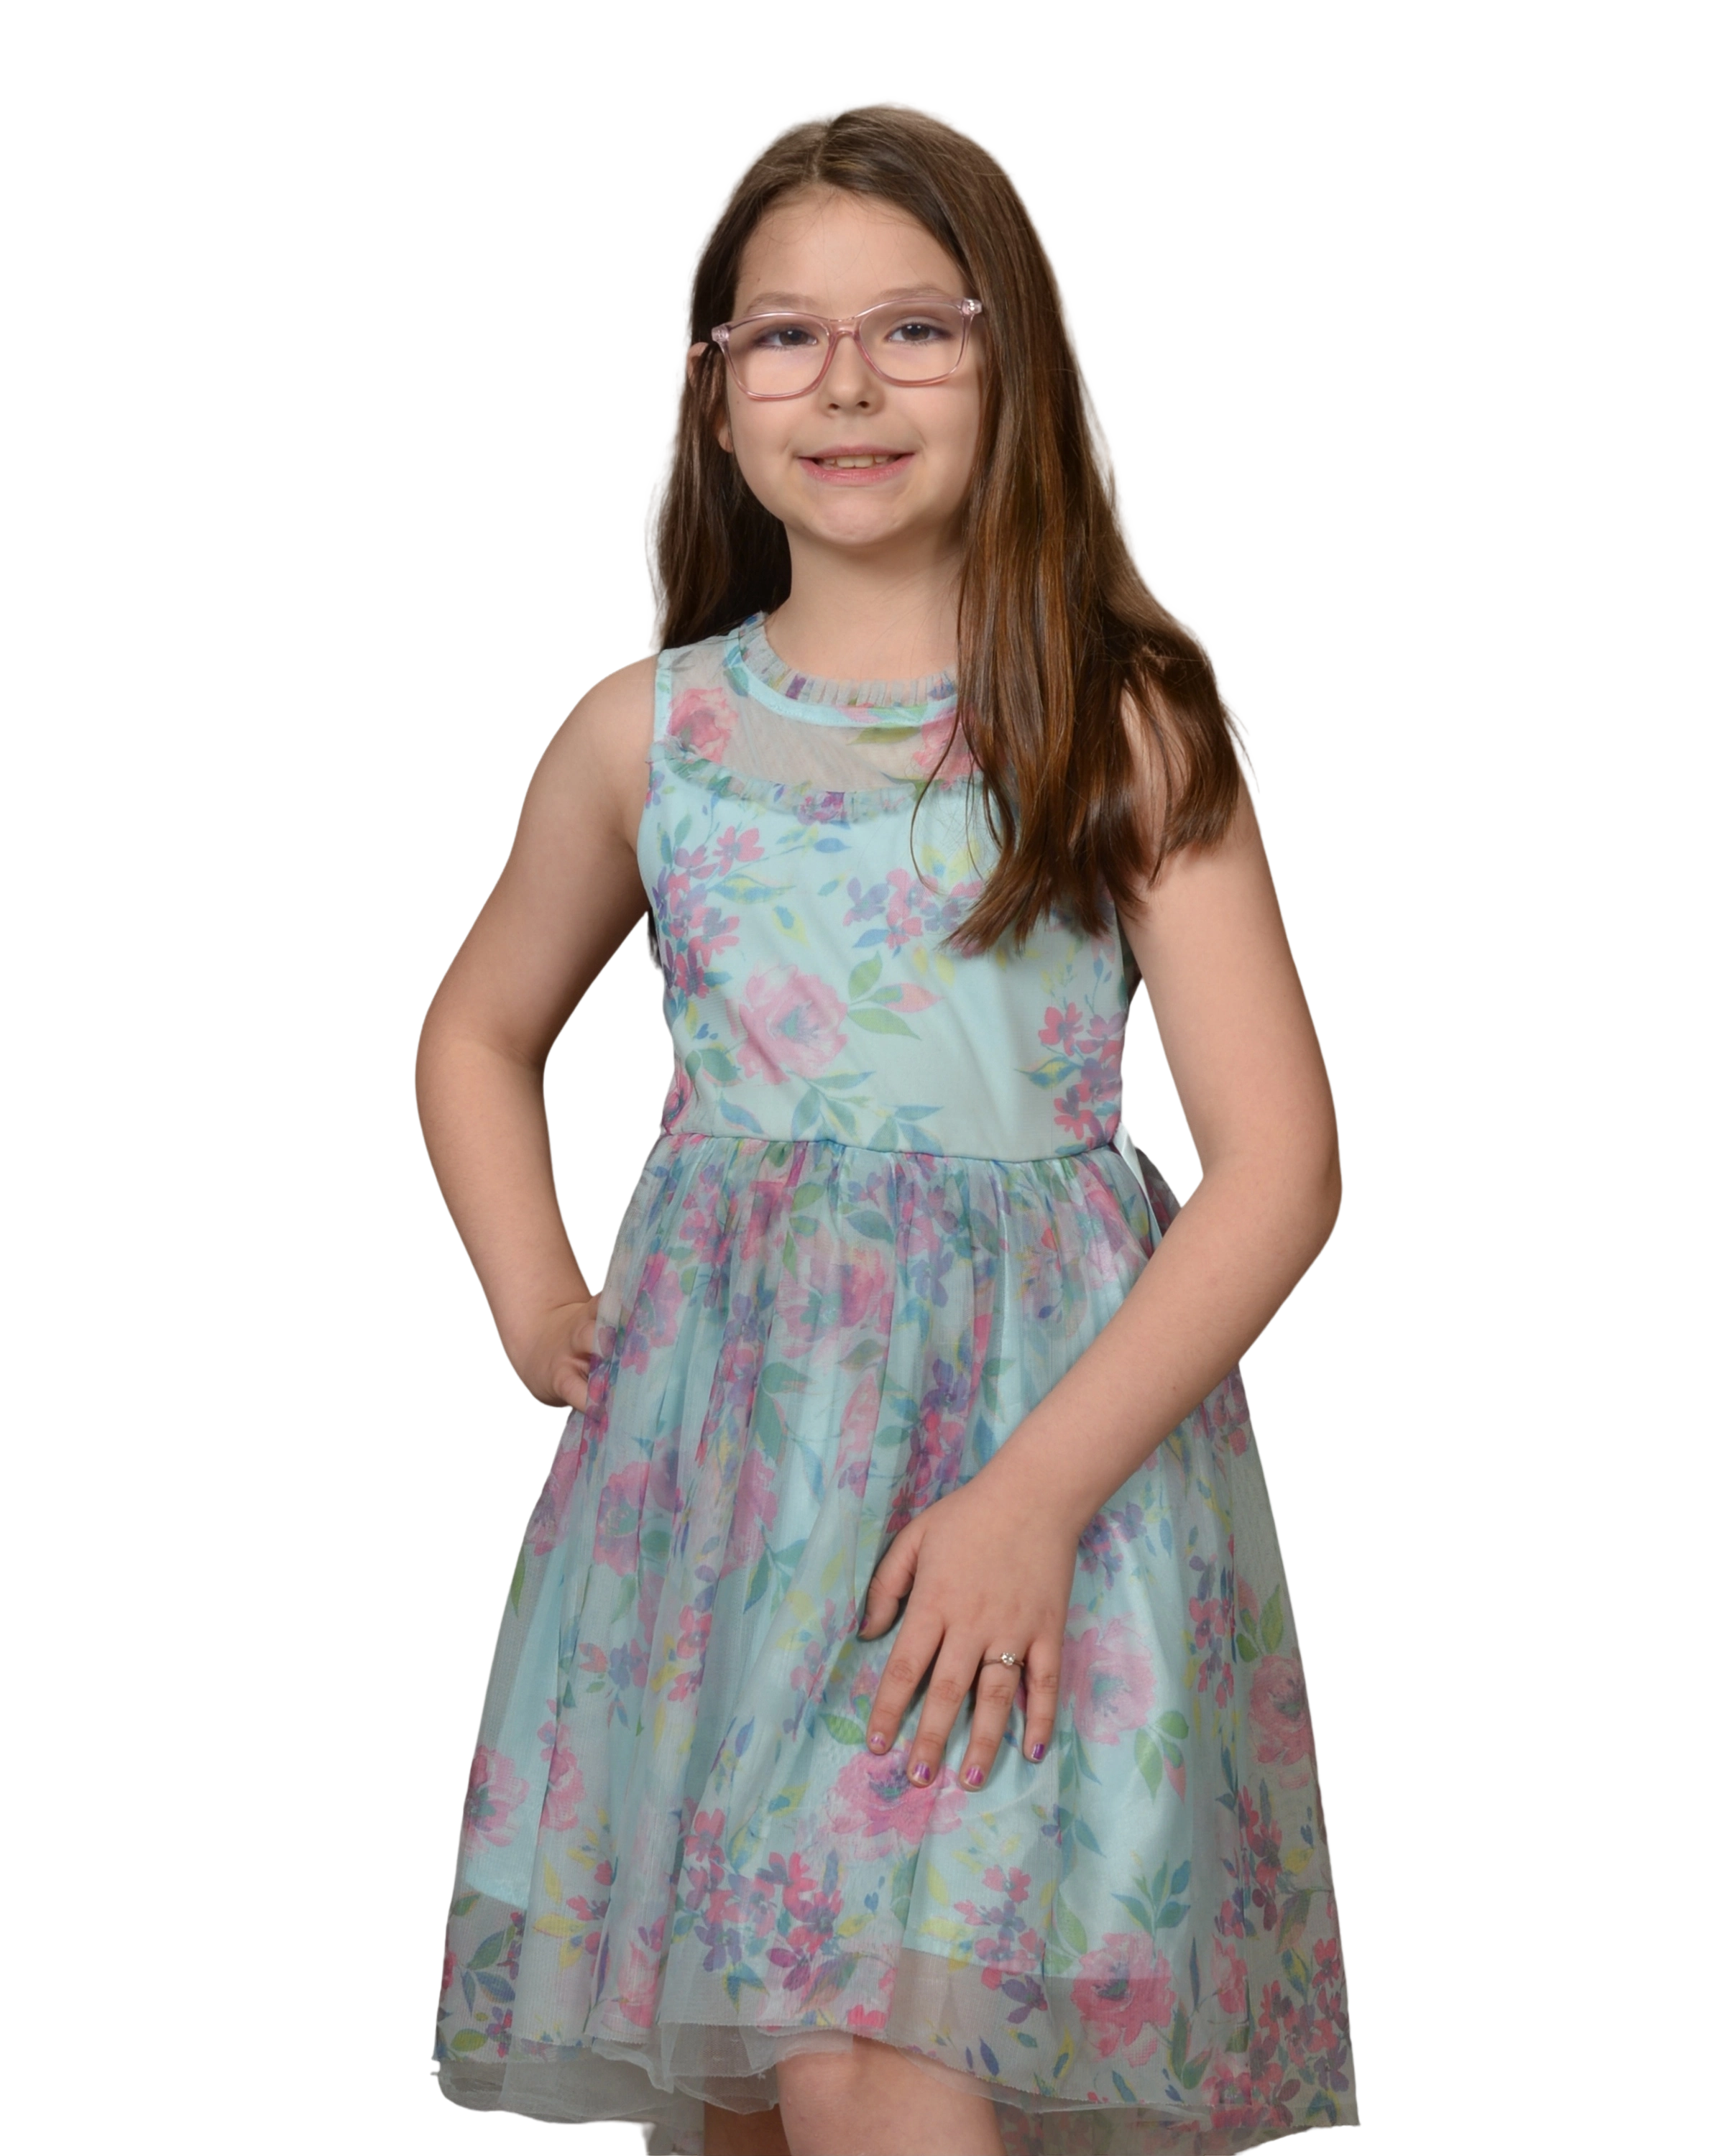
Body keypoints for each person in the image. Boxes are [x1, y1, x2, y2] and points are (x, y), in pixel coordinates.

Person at [413, 94, 1361, 2156]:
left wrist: (1033, 1502)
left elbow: (1282, 1168)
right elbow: (477, 1033)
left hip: (1040, 1470)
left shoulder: (1111, 726)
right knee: (765, 2061)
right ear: (712, 392)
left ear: (1015, 367)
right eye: (786, 337)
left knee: (874, 2048)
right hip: (727, 1500)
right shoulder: (647, 733)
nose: (846, 385)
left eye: (915, 329)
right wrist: (536, 1303)